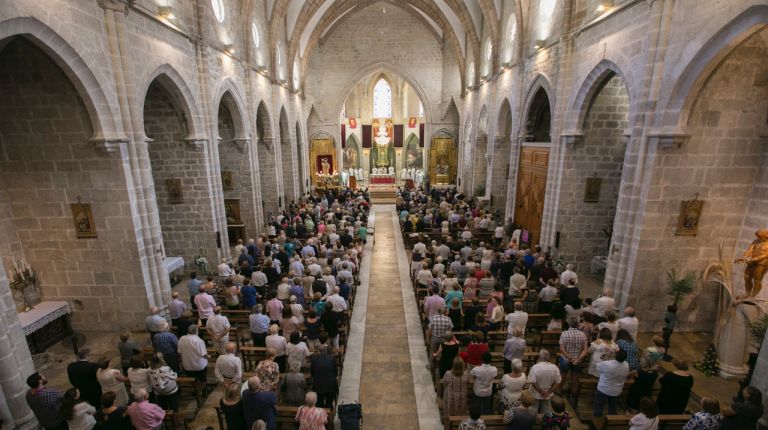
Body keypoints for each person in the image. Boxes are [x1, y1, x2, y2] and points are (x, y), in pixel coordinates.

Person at [593, 350, 630, 418]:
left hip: (603, 389)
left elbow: (597, 366)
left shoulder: (607, 364)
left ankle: (596, 423)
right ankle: (611, 422)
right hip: (616, 390)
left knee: (598, 407)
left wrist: (605, 358)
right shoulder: (626, 365)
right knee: (612, 408)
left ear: (615, 356)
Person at [558, 317, 588, 396]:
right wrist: (578, 359)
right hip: (577, 359)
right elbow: (585, 349)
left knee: (563, 375)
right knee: (575, 376)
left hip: (565, 359)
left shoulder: (564, 333)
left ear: (569, 324)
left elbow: (561, 348)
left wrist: (569, 357)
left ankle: (559, 390)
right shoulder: (582, 334)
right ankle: (574, 392)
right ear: (577, 324)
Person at [528, 349, 561, 414]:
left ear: (540, 357)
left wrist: (541, 391)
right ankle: (544, 423)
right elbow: (557, 382)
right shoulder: (555, 367)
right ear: (548, 358)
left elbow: (532, 381)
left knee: (534, 411)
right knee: (545, 412)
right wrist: (548, 392)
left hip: (536, 393)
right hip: (547, 394)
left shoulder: (535, 367)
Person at [310, 344, 337, 409]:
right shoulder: (332, 358)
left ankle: (320, 417)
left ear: (318, 351)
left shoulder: (314, 360)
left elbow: (312, 373)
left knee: (319, 404)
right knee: (329, 403)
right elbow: (336, 372)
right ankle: (328, 416)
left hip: (318, 384)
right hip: (330, 384)